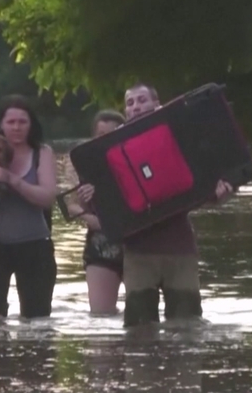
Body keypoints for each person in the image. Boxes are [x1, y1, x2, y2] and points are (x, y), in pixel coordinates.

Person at [77, 83, 234, 328]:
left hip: (180, 249)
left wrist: (219, 192)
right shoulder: (113, 152)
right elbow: (100, 210)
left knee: (187, 327)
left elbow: (206, 190)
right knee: (139, 330)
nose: (136, 107)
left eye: (141, 100)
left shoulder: (180, 137)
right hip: (139, 252)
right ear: (126, 112)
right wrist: (90, 195)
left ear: (157, 104)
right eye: (130, 103)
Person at [0, 95, 58, 322]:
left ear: (31, 124)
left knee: (37, 322)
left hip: (34, 247)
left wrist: (11, 179)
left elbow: (47, 197)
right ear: (1, 124)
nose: (17, 127)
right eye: (11, 122)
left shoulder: (42, 152)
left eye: (22, 122)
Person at [66, 110, 127, 315]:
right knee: (101, 314)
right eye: (101, 134)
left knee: (142, 316)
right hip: (101, 244)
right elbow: (71, 206)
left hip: (138, 243)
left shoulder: (134, 157)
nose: (106, 139)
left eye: (112, 133)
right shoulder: (81, 165)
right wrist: (89, 216)